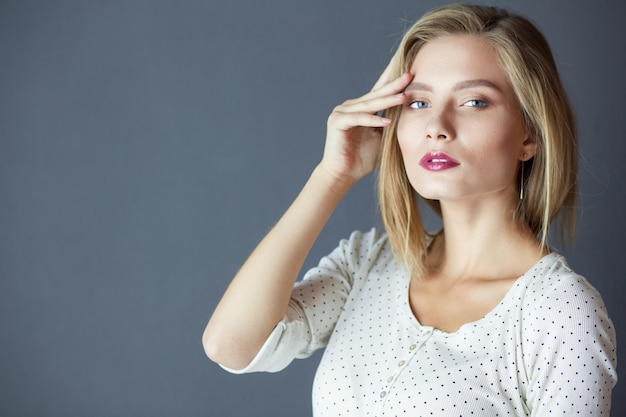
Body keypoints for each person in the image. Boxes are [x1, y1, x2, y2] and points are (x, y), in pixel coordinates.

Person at [202, 3, 617, 416]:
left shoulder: (559, 311)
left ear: (530, 134)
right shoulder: (368, 264)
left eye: (474, 102)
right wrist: (333, 175)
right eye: (418, 103)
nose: (437, 125)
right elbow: (231, 345)